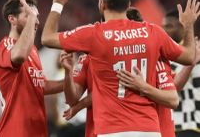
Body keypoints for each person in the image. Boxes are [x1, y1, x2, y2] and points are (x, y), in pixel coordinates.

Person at [41, 0, 200, 137]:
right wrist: (189, 26)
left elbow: (47, 38)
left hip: (112, 130)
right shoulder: (153, 32)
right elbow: (189, 56)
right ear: (129, 5)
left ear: (101, 3)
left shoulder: (94, 34)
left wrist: (58, 2)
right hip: (149, 130)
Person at [60, 8, 178, 137]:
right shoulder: (88, 58)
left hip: (147, 129)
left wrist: (79, 106)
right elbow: (73, 98)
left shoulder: (157, 59)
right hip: (105, 129)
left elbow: (172, 99)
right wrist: (68, 73)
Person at [0, 0, 65, 137]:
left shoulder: (32, 50)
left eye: (36, 16)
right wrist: (32, 17)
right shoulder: (6, 46)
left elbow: (40, 85)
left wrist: (74, 81)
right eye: (29, 15)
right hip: (15, 132)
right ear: (12, 19)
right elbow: (19, 56)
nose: (37, 21)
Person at [162, 9, 200, 137]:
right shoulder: (164, 57)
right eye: (163, 27)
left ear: (182, 28)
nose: (164, 31)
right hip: (179, 127)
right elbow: (173, 87)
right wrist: (191, 62)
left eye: (169, 26)